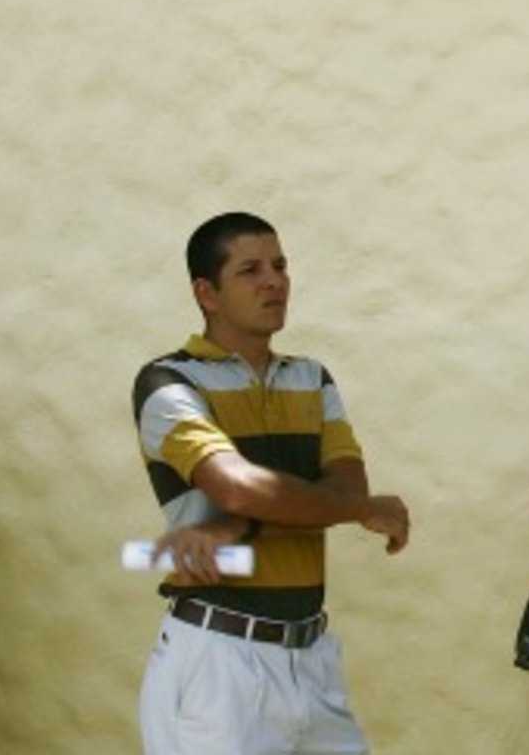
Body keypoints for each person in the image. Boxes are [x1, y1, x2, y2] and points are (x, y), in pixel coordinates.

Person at [132, 211, 413, 755]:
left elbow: (346, 480)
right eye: (251, 270)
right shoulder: (167, 383)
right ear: (206, 293)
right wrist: (353, 508)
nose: (275, 281)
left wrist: (246, 515)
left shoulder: (312, 377)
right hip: (218, 662)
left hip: (312, 658)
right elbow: (237, 486)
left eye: (281, 266)